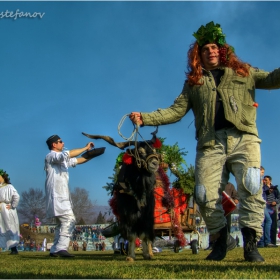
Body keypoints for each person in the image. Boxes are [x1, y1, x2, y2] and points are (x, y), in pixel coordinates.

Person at [129, 21, 280, 262]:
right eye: (205, 49)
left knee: (251, 188)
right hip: (211, 143)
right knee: (203, 194)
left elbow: (273, 78)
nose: (210, 51)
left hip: (245, 139)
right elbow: (175, 111)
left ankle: (251, 244)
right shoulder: (194, 83)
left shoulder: (245, 72)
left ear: (223, 50)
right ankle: (221, 240)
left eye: (214, 47)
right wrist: (145, 118)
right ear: (198, 55)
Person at [45, 134, 100, 257]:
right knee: (70, 220)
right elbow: (68, 154)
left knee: (61, 223)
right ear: (54, 144)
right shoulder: (51, 156)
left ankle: (54, 249)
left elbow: (78, 160)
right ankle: (61, 248)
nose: (63, 143)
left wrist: (92, 155)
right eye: (60, 141)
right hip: (57, 195)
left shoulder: (60, 160)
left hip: (60, 195)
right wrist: (85, 148)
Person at [0, 169, 20, 255]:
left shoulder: (9, 187)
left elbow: (16, 196)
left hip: (7, 210)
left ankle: (14, 248)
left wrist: (12, 206)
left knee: (9, 227)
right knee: (1, 228)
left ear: (3, 177)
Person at [263, 175, 279, 246]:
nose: (265, 181)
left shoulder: (275, 188)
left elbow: (278, 197)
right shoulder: (263, 188)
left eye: (266, 180)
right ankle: (265, 241)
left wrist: (275, 202)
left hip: (273, 207)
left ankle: (273, 242)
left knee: (273, 225)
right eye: (264, 180)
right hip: (266, 207)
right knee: (266, 223)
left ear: (270, 180)